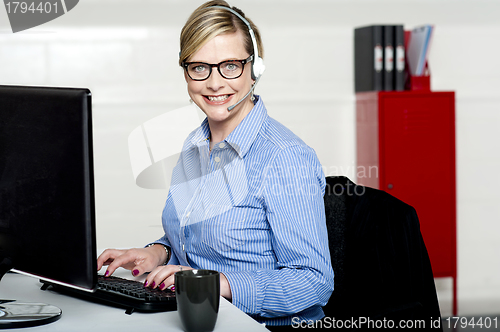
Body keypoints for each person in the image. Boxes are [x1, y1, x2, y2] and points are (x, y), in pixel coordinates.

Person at [97, 0, 334, 328]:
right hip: (201, 318)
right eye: (199, 67)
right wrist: (158, 253)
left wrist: (216, 283)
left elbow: (313, 282)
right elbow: (198, 239)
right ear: (186, 72)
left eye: (230, 65)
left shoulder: (285, 158)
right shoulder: (195, 143)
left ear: (255, 68)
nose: (214, 82)